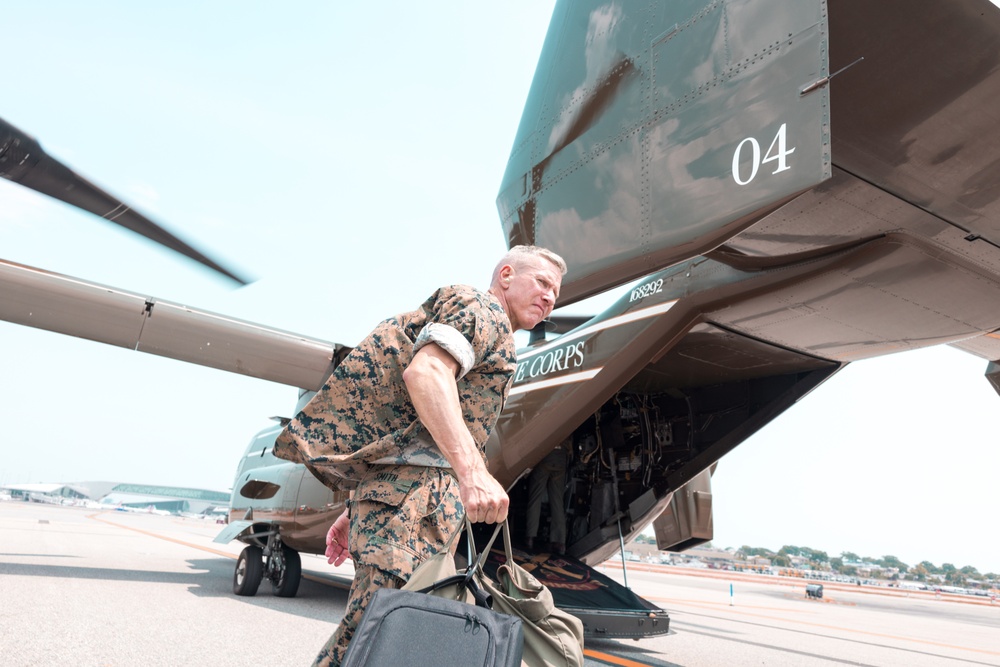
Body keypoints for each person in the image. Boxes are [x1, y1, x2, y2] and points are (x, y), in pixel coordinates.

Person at [273, 245, 567, 667]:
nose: (549, 297)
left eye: (555, 292)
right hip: (412, 507)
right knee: (375, 639)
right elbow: (426, 373)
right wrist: (473, 471)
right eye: (541, 282)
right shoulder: (481, 309)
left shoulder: (492, 329)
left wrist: (357, 505)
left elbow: (414, 435)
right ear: (506, 275)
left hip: (414, 504)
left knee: (388, 641)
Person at [525, 437, 571, 555]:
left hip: (545, 455)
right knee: (557, 501)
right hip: (561, 457)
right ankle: (559, 542)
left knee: (535, 498)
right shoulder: (566, 418)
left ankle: (530, 537)